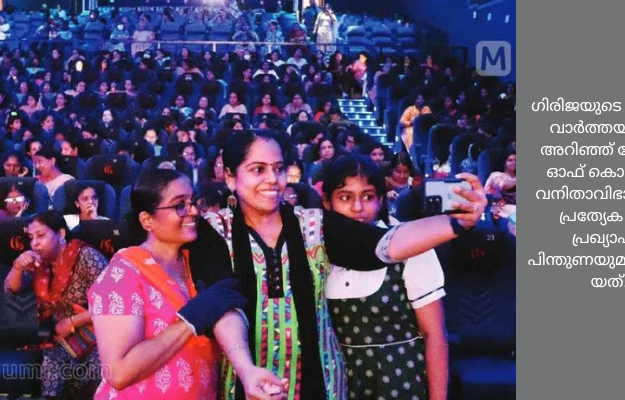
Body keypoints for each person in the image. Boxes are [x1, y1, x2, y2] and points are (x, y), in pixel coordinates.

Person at [186, 130, 486, 400]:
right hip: (246, 385)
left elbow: (383, 244)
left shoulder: (312, 224)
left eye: (278, 168)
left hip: (322, 385)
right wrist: (246, 369)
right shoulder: (214, 231)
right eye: (257, 169)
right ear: (230, 177)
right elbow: (223, 305)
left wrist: (457, 223)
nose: (272, 179)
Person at [88, 169, 277, 399]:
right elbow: (119, 373)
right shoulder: (123, 274)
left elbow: (224, 310)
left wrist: (248, 372)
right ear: (147, 220)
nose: (194, 211)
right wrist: (189, 322)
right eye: (180, 205)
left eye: (193, 202)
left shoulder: (198, 263)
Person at [322, 155, 448, 400]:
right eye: (345, 197)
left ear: (380, 199)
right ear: (328, 202)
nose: (357, 208)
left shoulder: (410, 246)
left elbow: (434, 335)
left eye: (368, 197)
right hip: (341, 384)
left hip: (401, 382)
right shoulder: (318, 252)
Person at [4, 211, 108, 398]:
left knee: (97, 369)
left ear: (60, 233)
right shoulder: (38, 262)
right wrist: (18, 267)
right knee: (52, 365)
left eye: (41, 235)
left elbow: (114, 302)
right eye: (31, 238)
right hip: (64, 339)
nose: (34, 243)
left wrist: (72, 322)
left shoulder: (86, 257)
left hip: (99, 334)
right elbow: (11, 290)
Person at [485, 150, 516, 219]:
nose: (514, 162)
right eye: (510, 160)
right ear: (504, 162)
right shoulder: (496, 175)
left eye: (516, 160)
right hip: (503, 208)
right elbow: (502, 186)